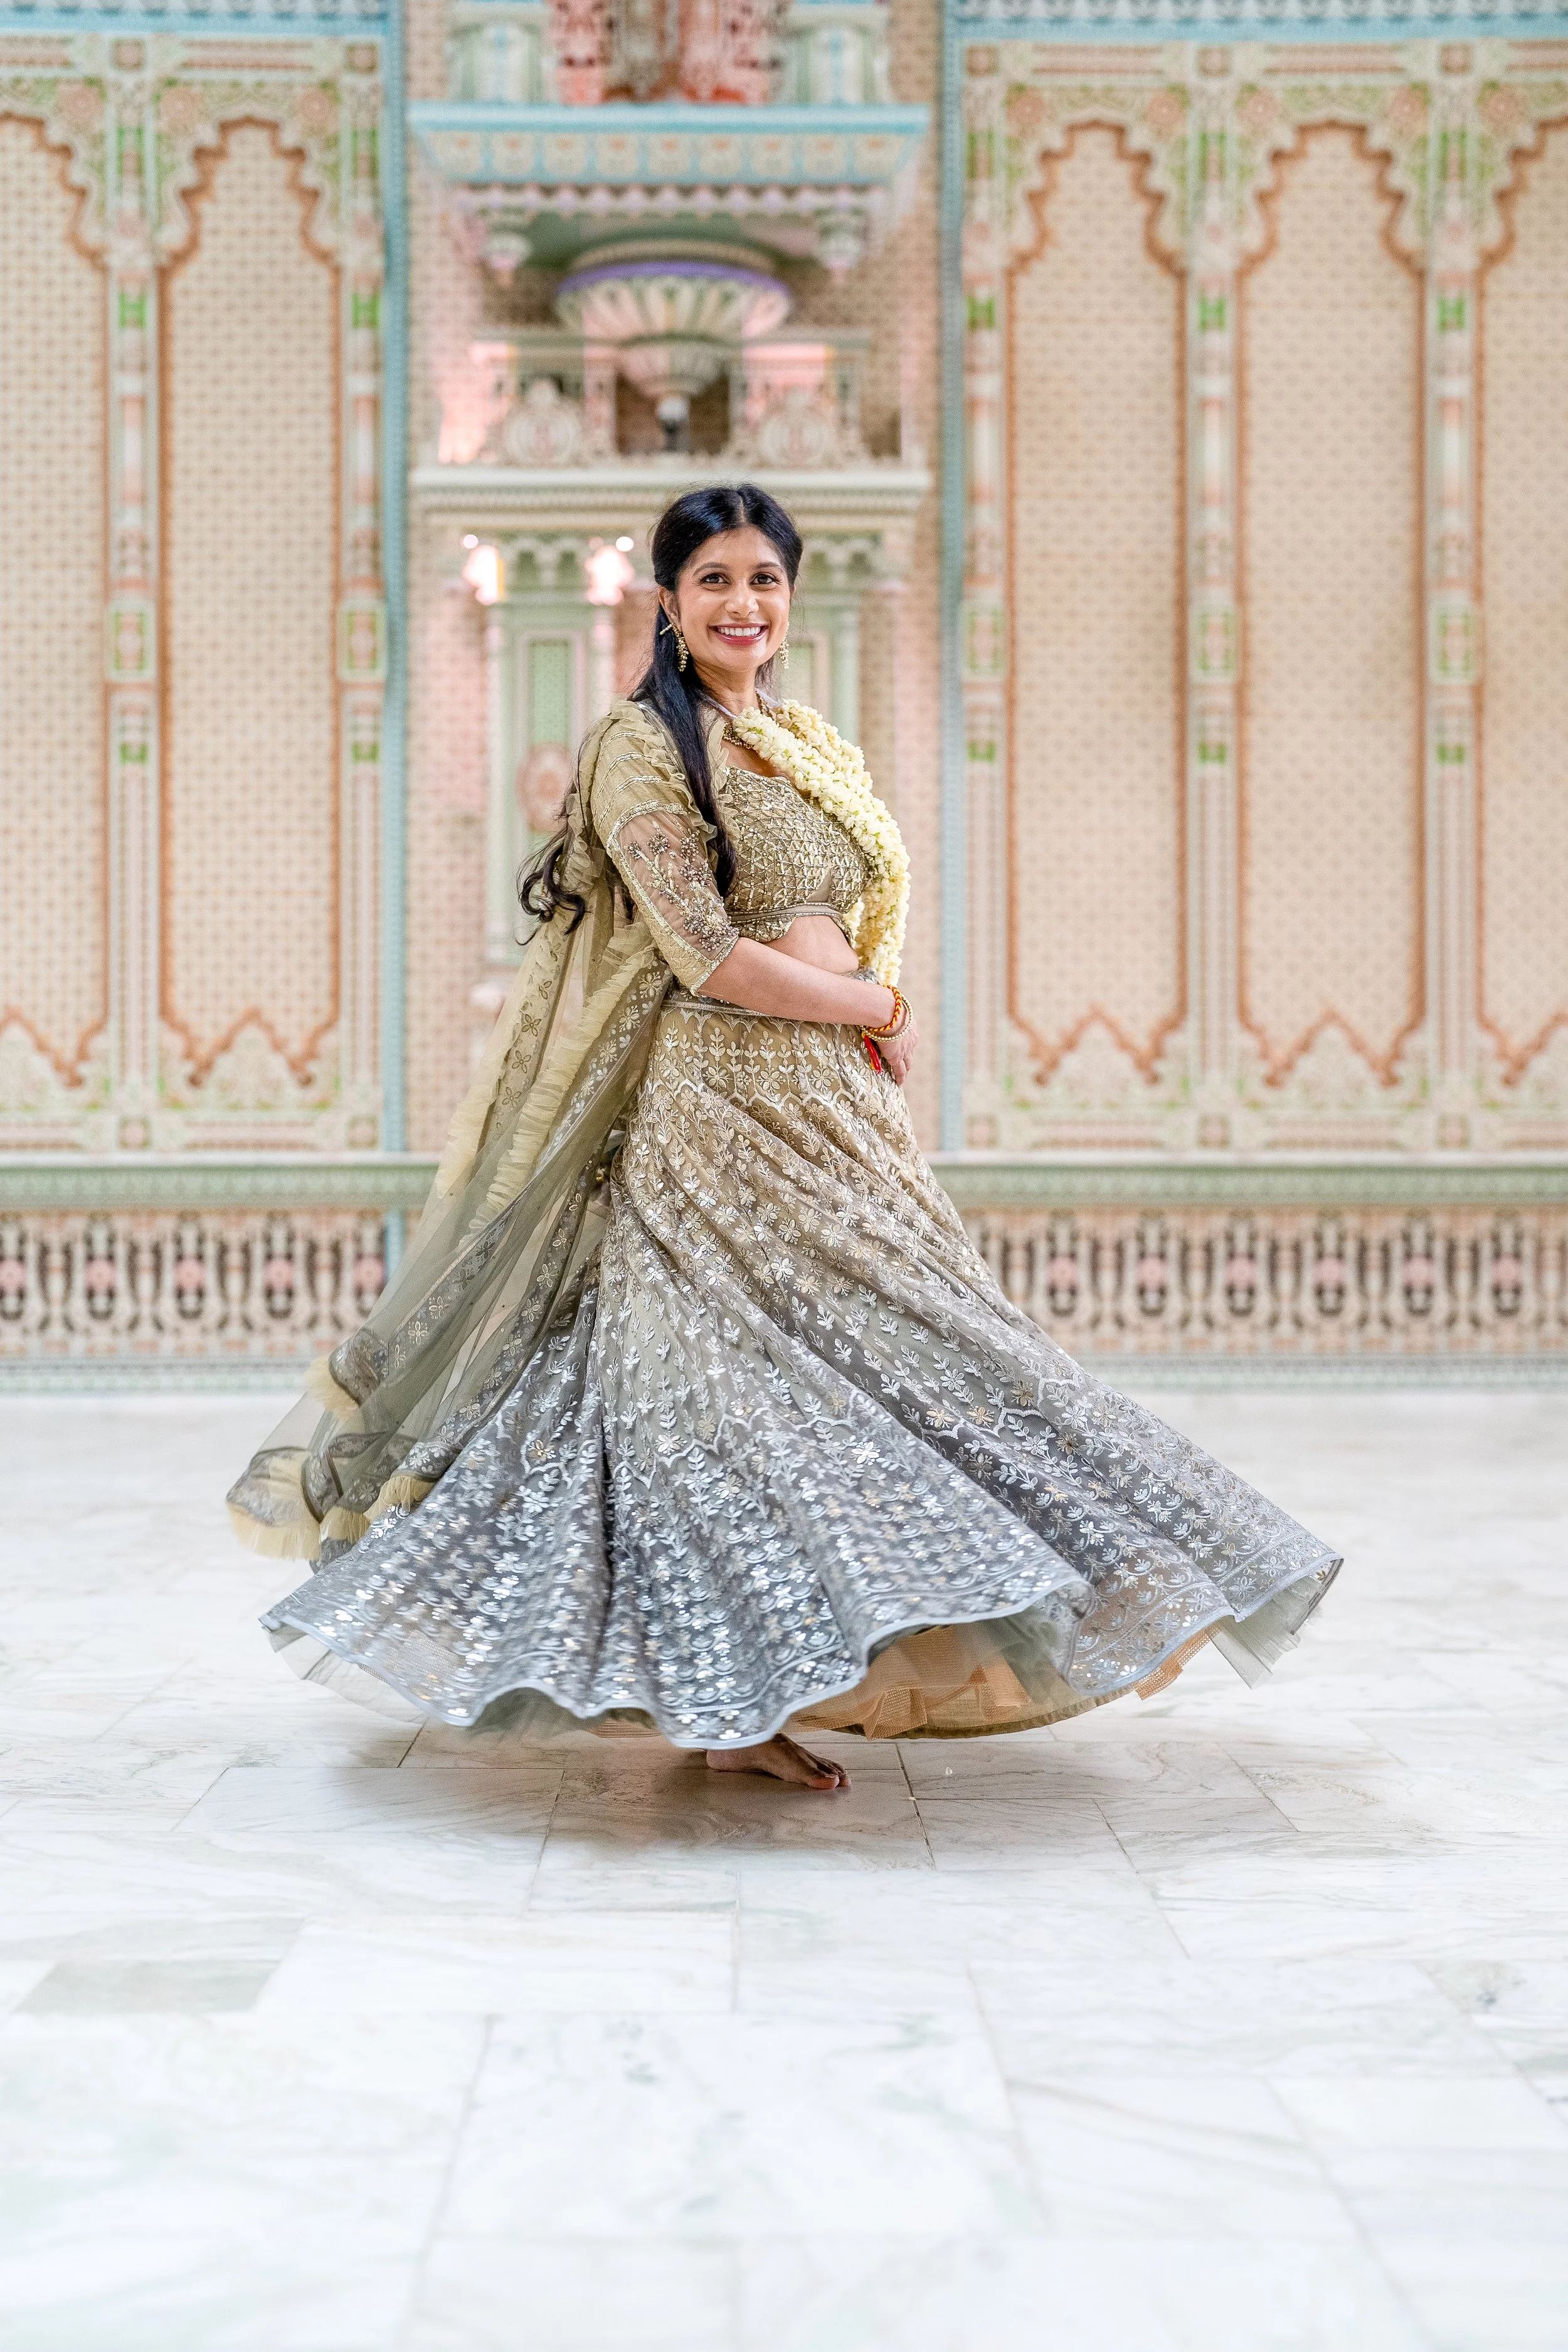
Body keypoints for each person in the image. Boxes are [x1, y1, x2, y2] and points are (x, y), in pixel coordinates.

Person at [229, 482, 1338, 1791]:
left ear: (789, 597)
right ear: (665, 603)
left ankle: (974, 1618)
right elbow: (702, 954)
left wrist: (867, 1021)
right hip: (714, 1115)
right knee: (718, 1403)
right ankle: (727, 1697)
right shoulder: (644, 742)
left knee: (938, 1362)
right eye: (711, 581)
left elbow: (853, 911)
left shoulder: (807, 742)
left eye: (762, 579)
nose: (740, 604)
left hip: (836, 1110)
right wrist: (875, 1003)